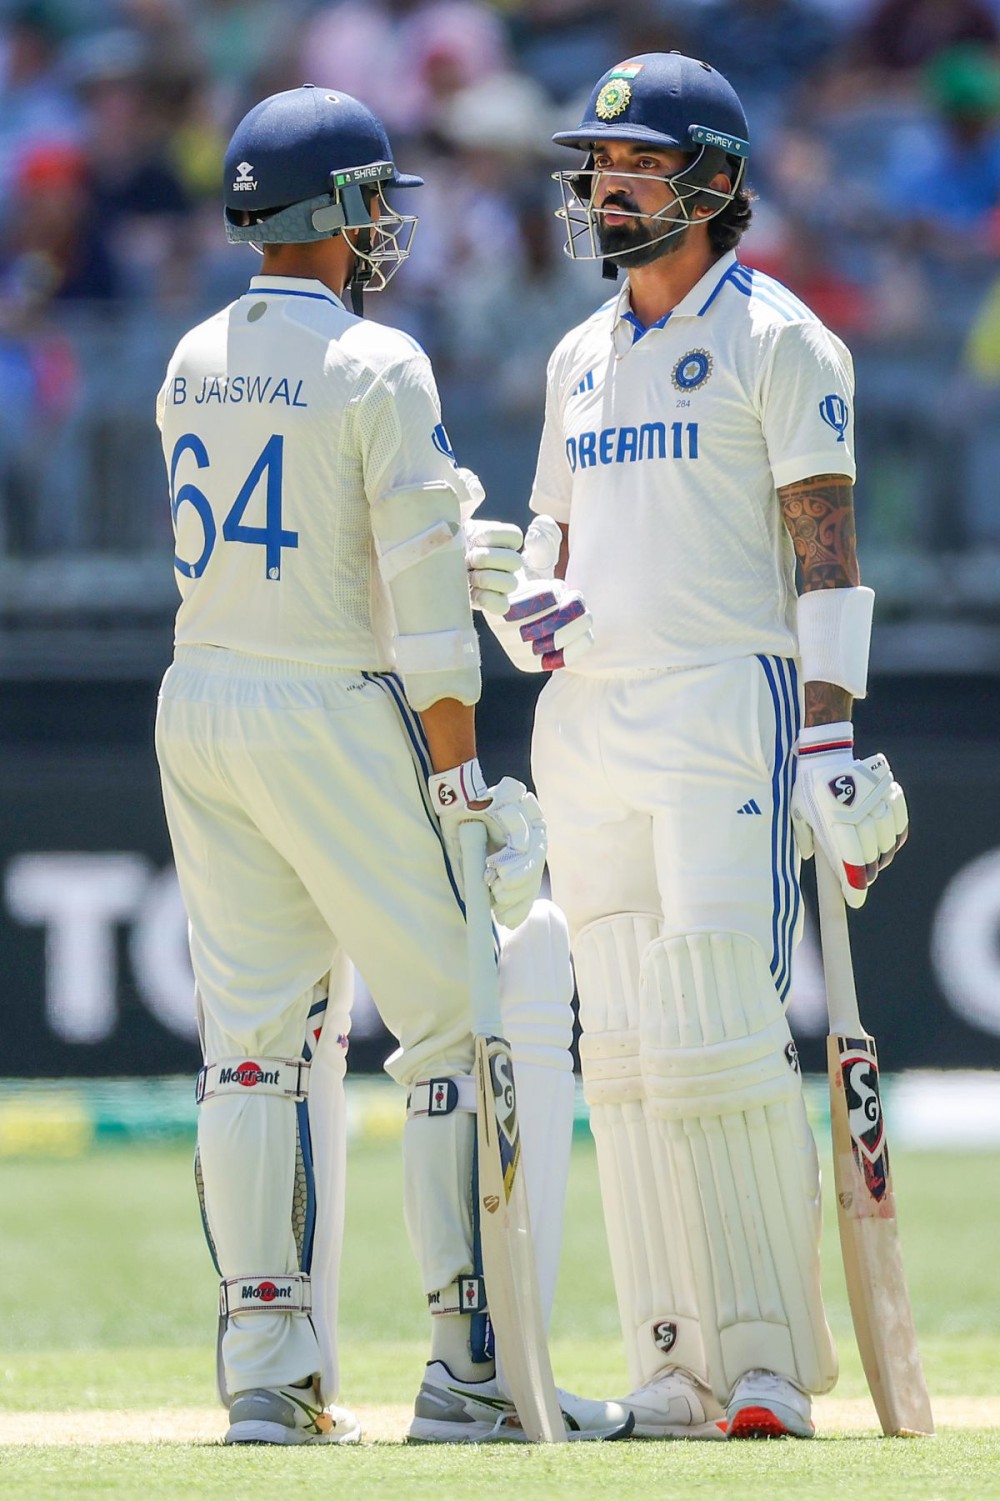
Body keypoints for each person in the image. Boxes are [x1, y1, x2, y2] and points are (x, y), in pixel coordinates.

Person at [155, 84, 629, 1446]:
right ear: (328, 212)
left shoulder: (191, 355)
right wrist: (460, 781)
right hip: (331, 707)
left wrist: (486, 560)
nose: (382, 225)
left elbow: (327, 527)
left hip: (204, 699)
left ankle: (265, 1379)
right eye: (369, 199)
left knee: (253, 1050)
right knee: (460, 1025)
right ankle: (471, 1370)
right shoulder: (380, 364)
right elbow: (419, 606)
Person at [484, 51, 909, 1440]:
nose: (604, 190)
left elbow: (829, 559)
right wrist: (522, 613)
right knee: (621, 1055)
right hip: (589, 720)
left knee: (722, 1039)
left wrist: (831, 737)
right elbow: (546, 558)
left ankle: (768, 1363)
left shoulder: (781, 339)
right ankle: (672, 1362)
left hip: (730, 701)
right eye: (596, 170)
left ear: (713, 184)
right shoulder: (575, 357)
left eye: (636, 168)